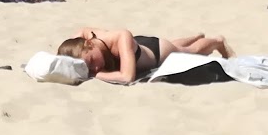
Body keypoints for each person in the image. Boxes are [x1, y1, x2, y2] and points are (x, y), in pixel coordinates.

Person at [58, 28, 233, 85]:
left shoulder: (119, 36)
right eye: (89, 68)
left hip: (157, 52)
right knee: (178, 44)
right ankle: (196, 36)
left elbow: (127, 76)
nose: (94, 67)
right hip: (138, 46)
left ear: (89, 44)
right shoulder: (84, 39)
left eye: (91, 62)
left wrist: (94, 74)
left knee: (189, 52)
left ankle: (217, 41)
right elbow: (77, 37)